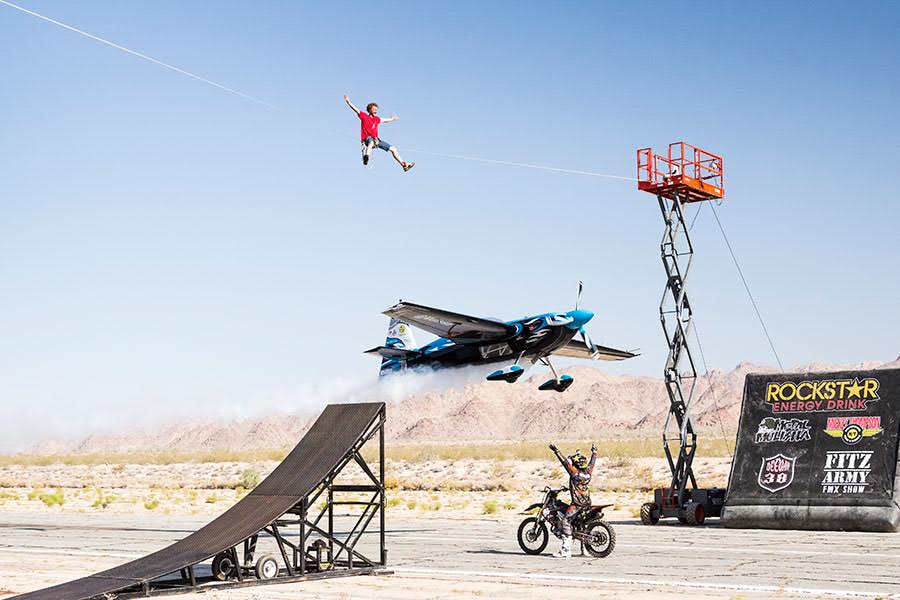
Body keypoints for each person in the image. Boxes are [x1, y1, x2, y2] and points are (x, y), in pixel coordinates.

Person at [549, 442, 597, 558]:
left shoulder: (575, 473)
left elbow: (564, 462)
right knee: (581, 524)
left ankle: (566, 550)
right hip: (587, 503)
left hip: (577, 504)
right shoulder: (588, 473)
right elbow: (592, 462)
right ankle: (584, 550)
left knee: (565, 521)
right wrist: (594, 452)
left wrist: (556, 451)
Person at [343, 95, 414, 172]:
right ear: (370, 110)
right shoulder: (364, 116)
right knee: (371, 142)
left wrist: (392, 119)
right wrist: (348, 101)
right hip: (367, 139)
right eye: (374, 109)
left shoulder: (377, 119)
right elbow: (355, 109)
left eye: (376, 110)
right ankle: (366, 157)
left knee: (393, 149)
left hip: (376, 140)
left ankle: (404, 165)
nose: (376, 111)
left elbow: (385, 120)